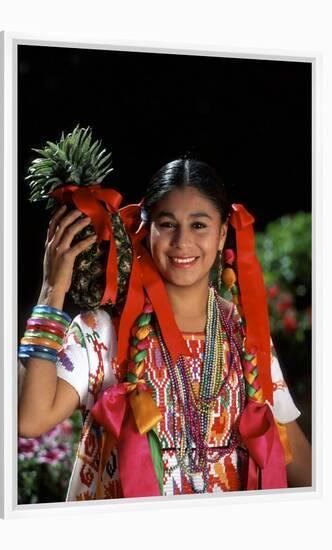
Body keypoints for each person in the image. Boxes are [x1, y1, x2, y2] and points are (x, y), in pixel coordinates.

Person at [18, 156, 312, 500]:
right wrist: (52, 290)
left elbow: (298, 459)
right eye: (168, 224)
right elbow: (31, 419)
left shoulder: (245, 333)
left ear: (221, 235)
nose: (182, 241)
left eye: (199, 225)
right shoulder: (102, 332)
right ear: (147, 230)